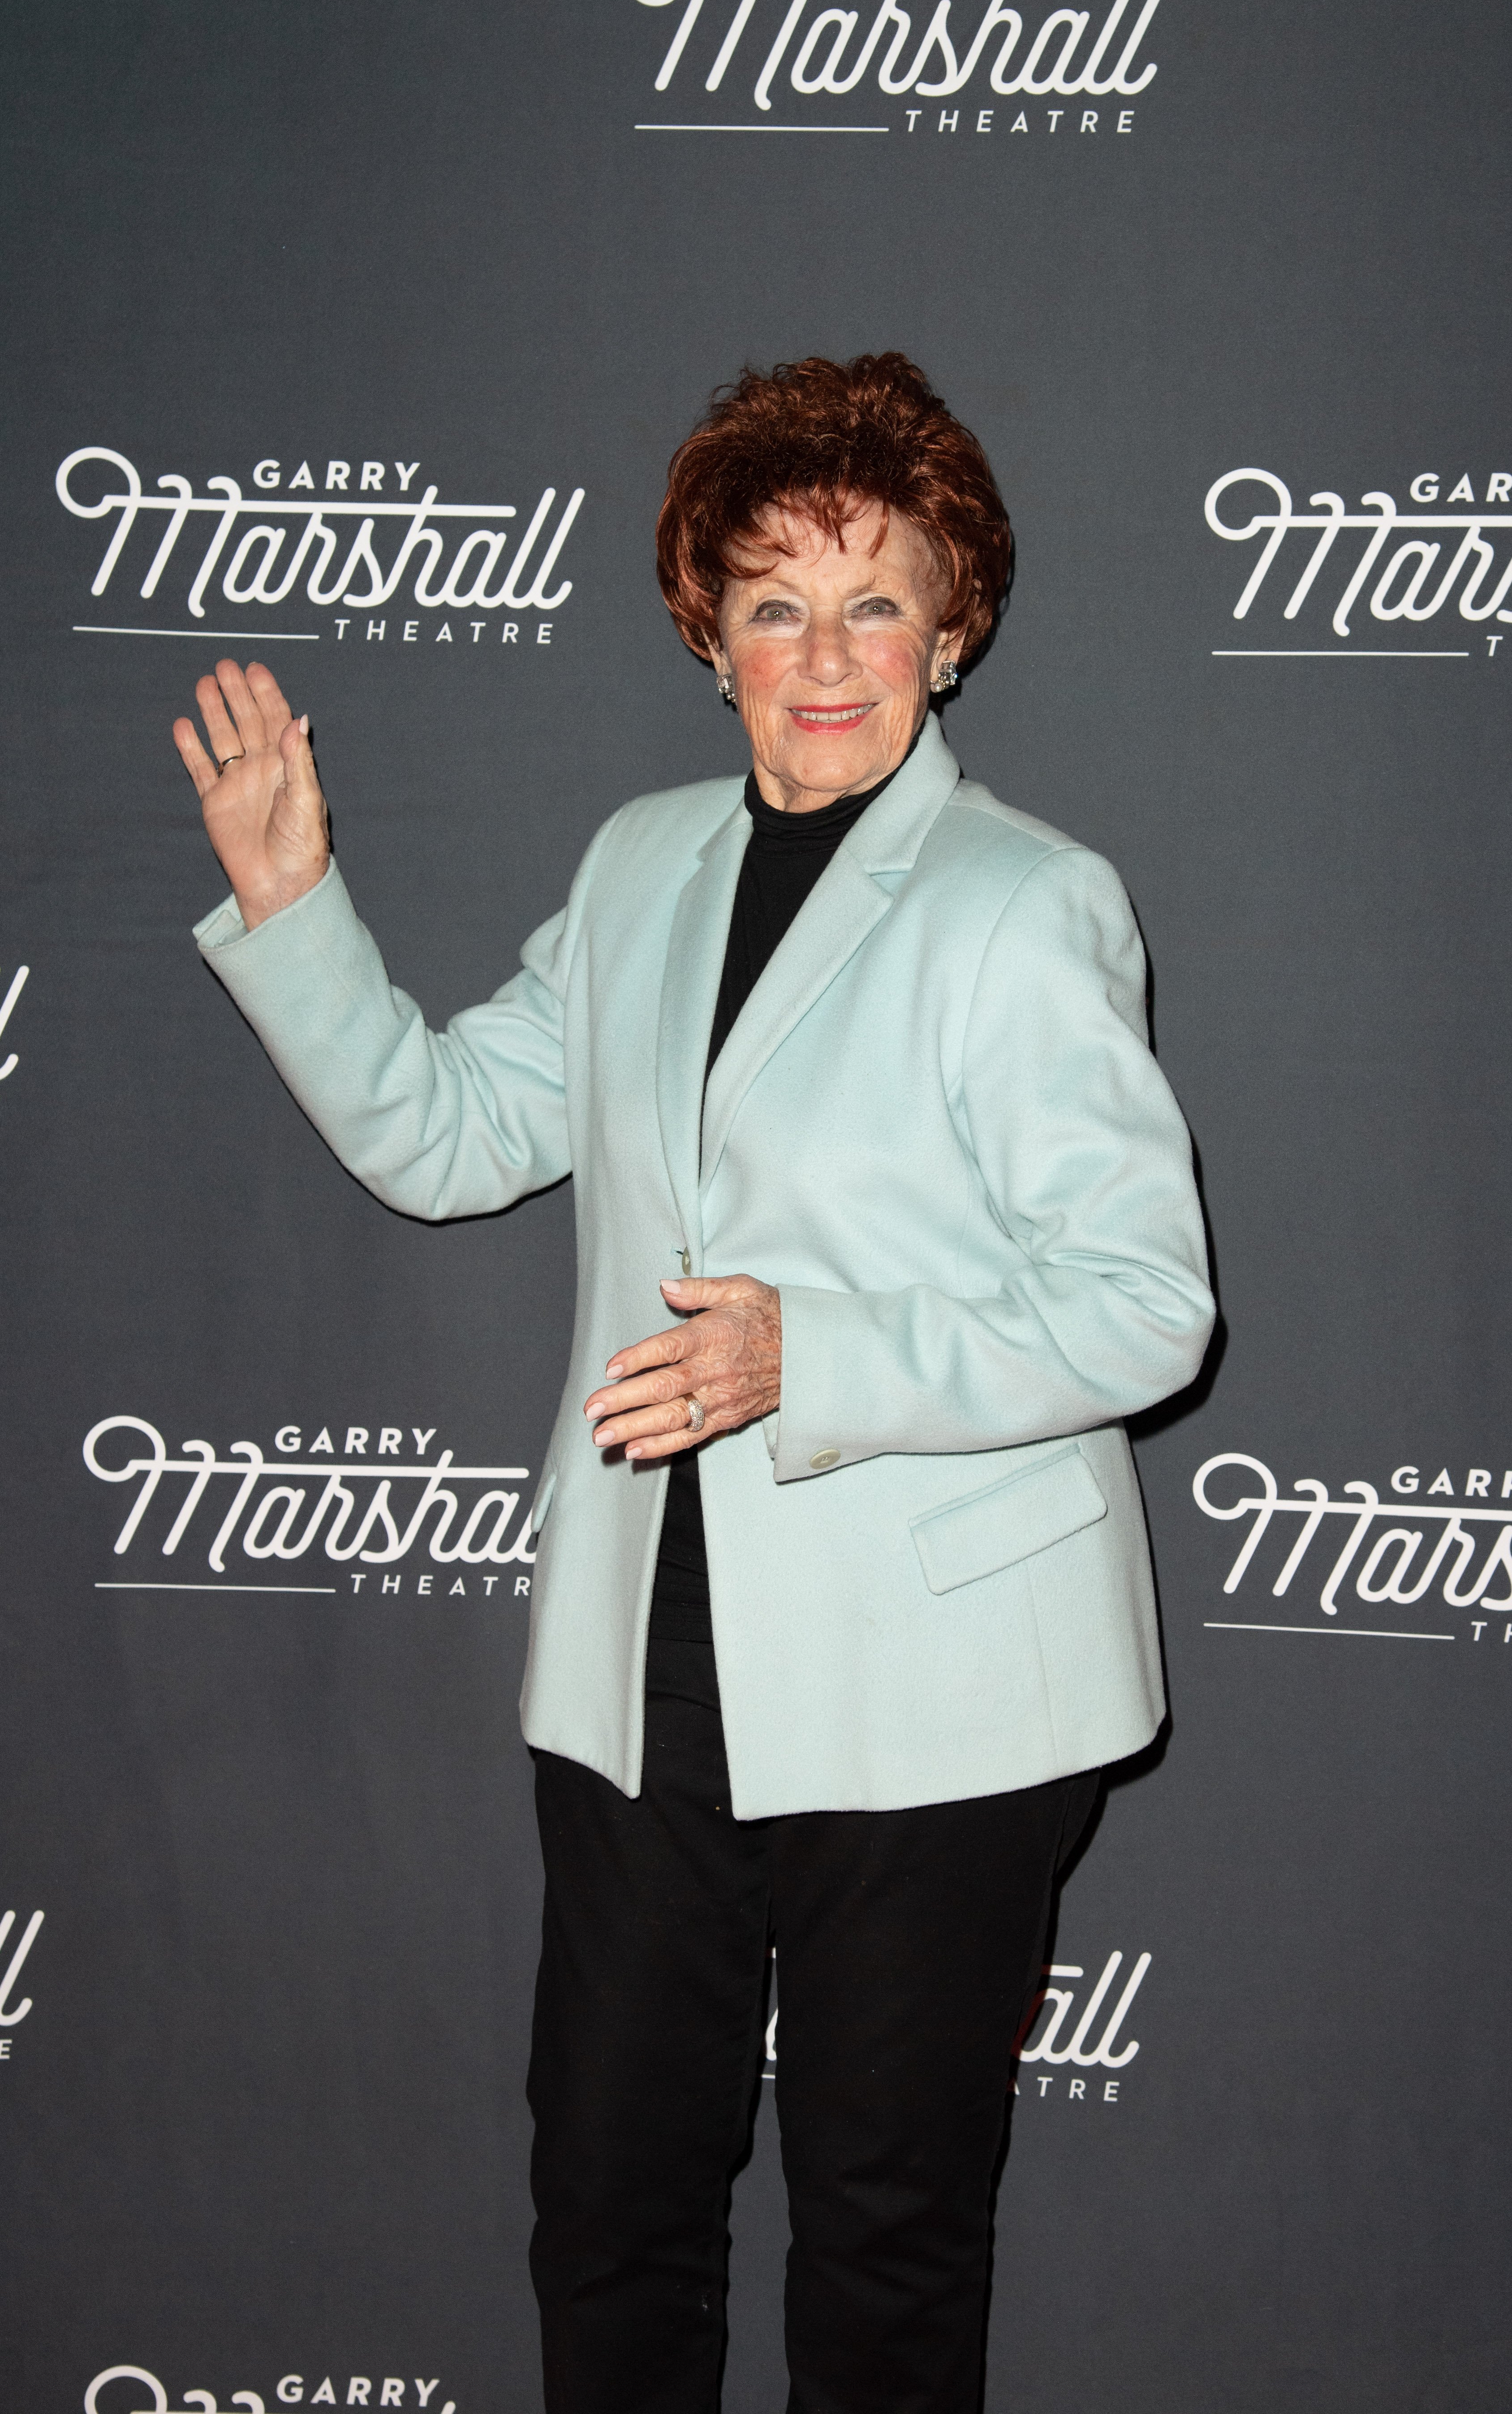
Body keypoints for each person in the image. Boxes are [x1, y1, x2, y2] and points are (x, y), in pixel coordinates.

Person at [174, 352, 1215, 2414]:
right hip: (648, 1670)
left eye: (874, 600)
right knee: (612, 2208)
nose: (823, 655)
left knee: (886, 2241)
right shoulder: (643, 859)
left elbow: (1143, 1305)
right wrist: (295, 908)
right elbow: (451, 1135)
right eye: (771, 601)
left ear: (953, 624)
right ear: (705, 626)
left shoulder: (1029, 906)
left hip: (941, 1692)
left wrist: (802, 1358)